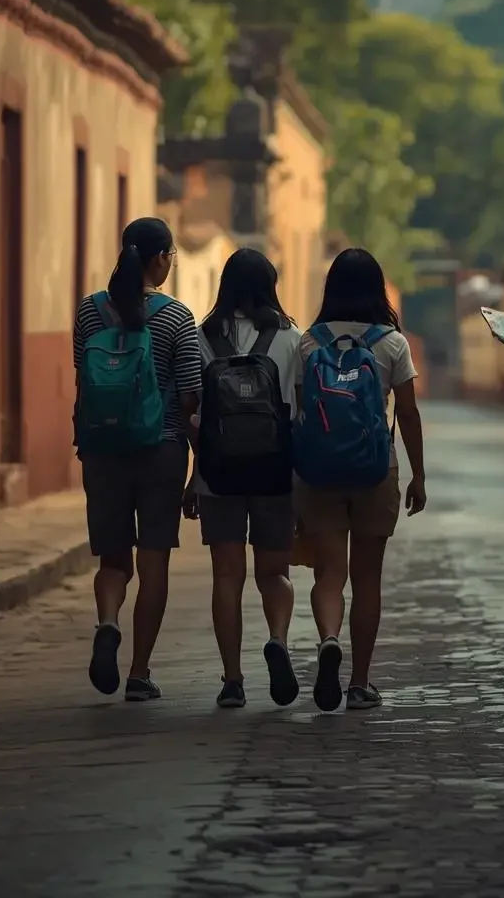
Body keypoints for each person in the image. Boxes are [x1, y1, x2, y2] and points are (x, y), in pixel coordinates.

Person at [73, 217, 201, 702]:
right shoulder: (176, 317)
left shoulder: (90, 311)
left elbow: (84, 380)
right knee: (154, 562)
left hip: (103, 451)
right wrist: (199, 463)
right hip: (160, 450)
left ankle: (108, 623)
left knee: (113, 558)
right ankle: (140, 672)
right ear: (161, 259)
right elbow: (191, 398)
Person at [294, 248, 426, 712]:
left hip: (319, 471)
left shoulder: (308, 342)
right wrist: (418, 475)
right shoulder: (391, 343)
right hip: (375, 469)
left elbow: (298, 413)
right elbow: (407, 413)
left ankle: (329, 638)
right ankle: (360, 683)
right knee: (368, 578)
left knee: (331, 571)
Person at [186, 248, 303, 709]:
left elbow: (192, 414)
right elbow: (298, 411)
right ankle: (277, 638)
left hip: (219, 476)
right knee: (274, 572)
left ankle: (232, 678)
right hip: (276, 472)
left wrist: (197, 473)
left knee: (227, 576)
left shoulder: (202, 337)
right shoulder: (291, 339)